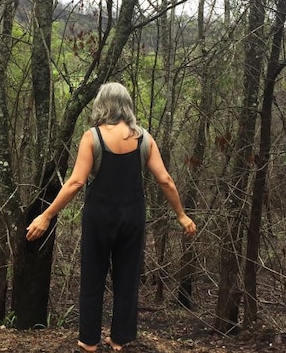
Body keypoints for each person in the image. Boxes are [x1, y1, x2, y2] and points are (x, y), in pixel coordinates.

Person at [25, 82, 197, 352]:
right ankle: (120, 338)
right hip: (133, 218)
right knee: (127, 278)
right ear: (126, 105)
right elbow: (165, 180)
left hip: (99, 218)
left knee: (93, 277)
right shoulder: (144, 139)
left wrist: (46, 216)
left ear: (101, 104)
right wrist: (181, 215)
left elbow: (75, 183)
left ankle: (89, 340)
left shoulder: (92, 137)